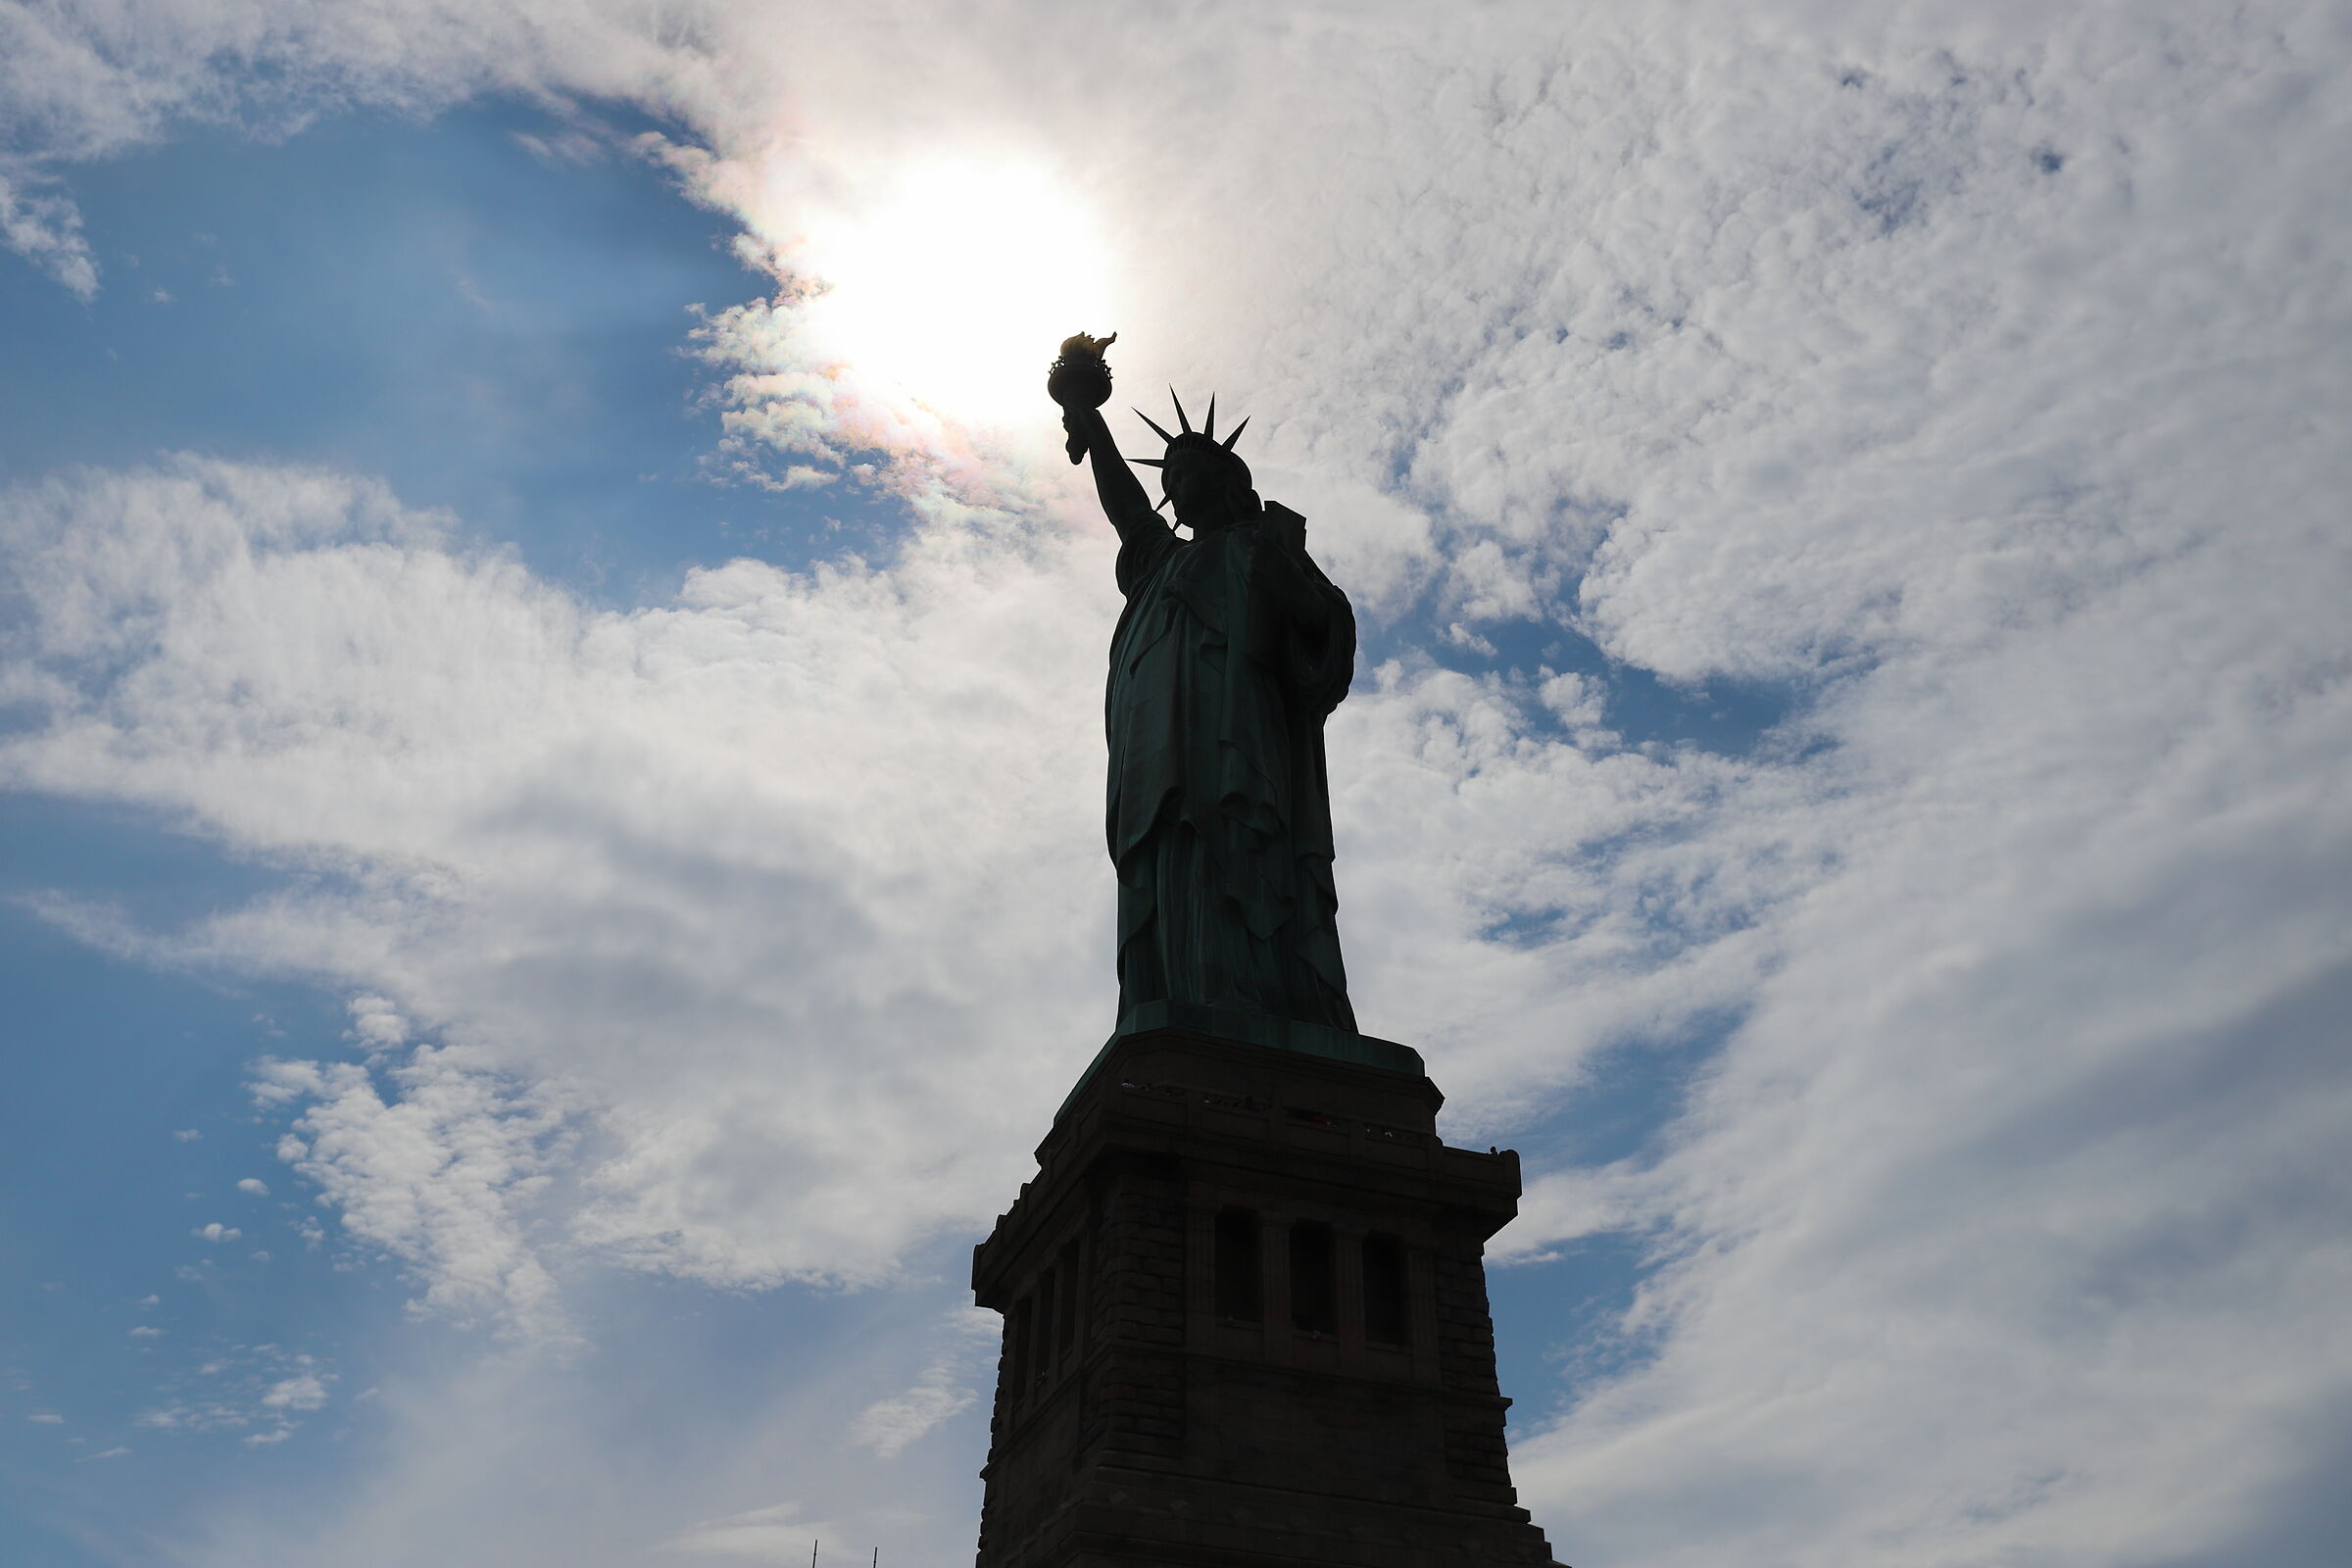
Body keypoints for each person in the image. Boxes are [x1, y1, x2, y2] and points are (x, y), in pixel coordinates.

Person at [1052, 339, 1359, 1034]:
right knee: (1169, 875)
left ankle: (1247, 1008)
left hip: (1236, 748)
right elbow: (1128, 508)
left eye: (1190, 474)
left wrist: (1288, 582)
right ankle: (1176, 1005)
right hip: (1156, 759)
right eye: (1173, 475)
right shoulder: (1165, 560)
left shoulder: (1259, 548)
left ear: (1230, 484)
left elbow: (1323, 629)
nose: (1176, 485)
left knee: (1234, 865)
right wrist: (1087, 417)